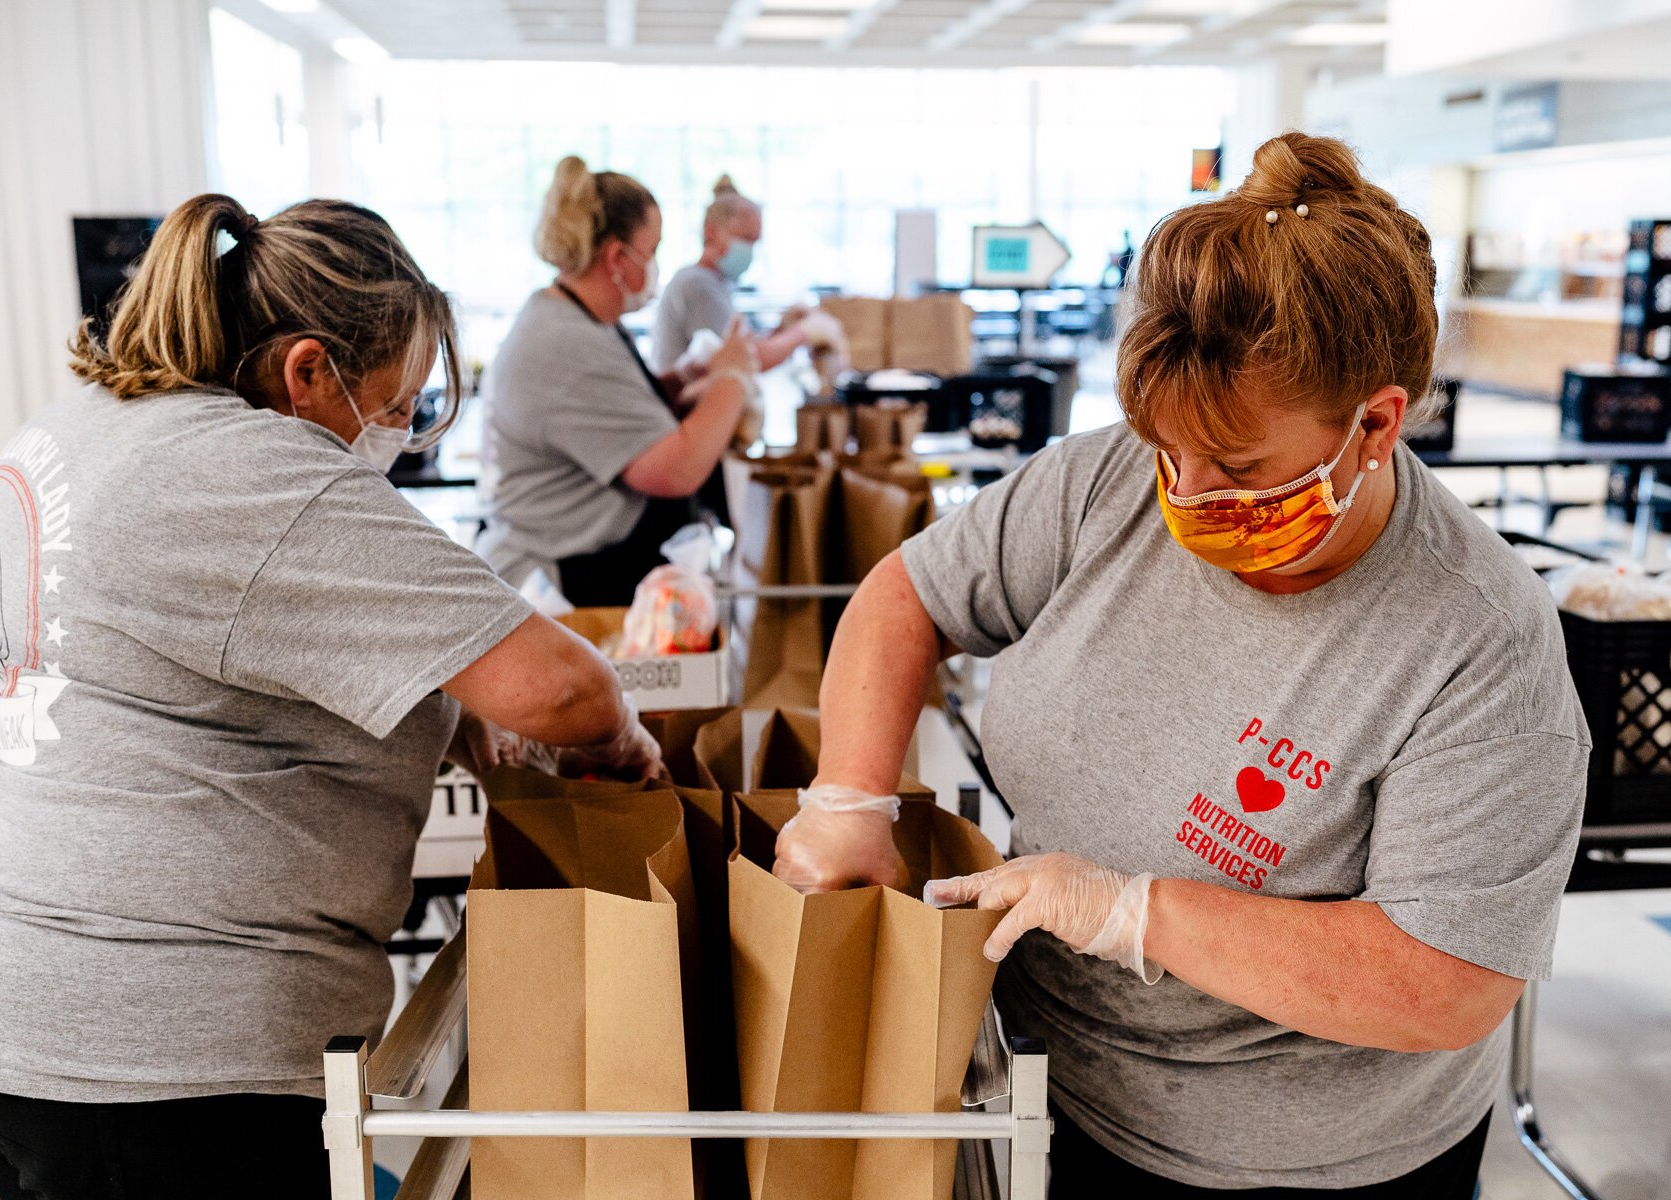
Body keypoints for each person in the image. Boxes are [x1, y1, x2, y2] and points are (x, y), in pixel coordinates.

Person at [774, 132, 1590, 1197]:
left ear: (1376, 422)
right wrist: (850, 795)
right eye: (1168, 450)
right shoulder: (1103, 484)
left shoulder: (1476, 645)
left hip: (1296, 1164)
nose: (1189, 495)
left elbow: (1447, 983)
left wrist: (1131, 911)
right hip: (1048, 1088)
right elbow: (908, 595)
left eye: (1240, 466)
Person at [0, 193, 659, 1200]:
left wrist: (462, 725)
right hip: (151, 1050)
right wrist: (622, 741)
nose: (401, 437)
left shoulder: (85, 425)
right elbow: (565, 688)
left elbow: (209, 663)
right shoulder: (253, 469)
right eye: (401, 405)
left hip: (3, 993)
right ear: (309, 371)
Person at [479, 157, 754, 606]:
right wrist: (733, 377)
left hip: (596, 565)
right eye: (652, 251)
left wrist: (683, 380)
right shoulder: (564, 343)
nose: (657, 267)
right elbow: (675, 469)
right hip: (563, 584)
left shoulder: (580, 320)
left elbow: (618, 413)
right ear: (617, 258)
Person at [648, 175, 810, 376]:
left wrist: (783, 329)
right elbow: (744, 361)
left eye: (754, 242)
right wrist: (803, 332)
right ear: (710, 233)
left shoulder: (716, 283)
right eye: (744, 238)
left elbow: (741, 347)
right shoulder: (697, 285)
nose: (749, 250)